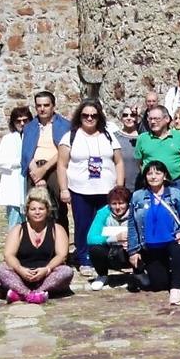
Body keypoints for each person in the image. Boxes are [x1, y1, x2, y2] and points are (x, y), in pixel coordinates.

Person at [56, 100, 124, 269]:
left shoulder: (108, 136)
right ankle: (85, 258)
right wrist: (64, 189)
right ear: (80, 116)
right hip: (80, 190)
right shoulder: (70, 137)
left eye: (93, 115)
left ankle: (104, 258)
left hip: (106, 190)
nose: (89, 118)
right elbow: (62, 165)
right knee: (83, 225)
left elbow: (119, 162)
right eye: (85, 115)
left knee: (106, 225)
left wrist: (120, 187)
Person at [128, 160, 180, 305]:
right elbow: (132, 224)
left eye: (157, 173)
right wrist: (133, 251)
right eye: (149, 173)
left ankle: (176, 288)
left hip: (173, 240)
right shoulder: (137, 196)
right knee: (158, 284)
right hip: (150, 245)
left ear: (164, 176)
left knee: (179, 249)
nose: (153, 176)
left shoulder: (175, 194)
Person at [0, 188, 73, 304]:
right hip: (22, 274)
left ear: (47, 210)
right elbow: (8, 255)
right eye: (33, 209)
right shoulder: (18, 230)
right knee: (0, 269)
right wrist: (20, 270)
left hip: (46, 275)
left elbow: (62, 256)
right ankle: (30, 295)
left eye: (41, 209)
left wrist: (46, 270)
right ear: (27, 211)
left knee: (66, 271)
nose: (37, 212)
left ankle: (27, 293)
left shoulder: (57, 229)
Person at [21, 91, 70, 202]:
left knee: (56, 209)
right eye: (39, 105)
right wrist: (36, 175)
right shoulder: (30, 127)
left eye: (46, 105)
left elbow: (64, 151)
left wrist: (44, 169)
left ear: (53, 106)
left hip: (55, 169)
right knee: (35, 206)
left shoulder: (65, 126)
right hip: (34, 170)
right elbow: (26, 152)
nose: (42, 109)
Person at [134, 105, 180, 192]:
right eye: (150, 119)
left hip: (175, 184)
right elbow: (139, 162)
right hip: (150, 185)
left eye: (157, 119)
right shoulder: (142, 138)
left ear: (167, 119)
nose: (153, 122)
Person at [85, 185, 133, 290]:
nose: (117, 207)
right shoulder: (103, 213)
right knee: (94, 248)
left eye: (121, 203)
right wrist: (114, 238)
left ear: (128, 203)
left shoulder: (135, 212)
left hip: (131, 250)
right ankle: (102, 275)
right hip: (110, 250)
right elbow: (91, 238)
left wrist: (132, 241)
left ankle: (139, 273)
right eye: (114, 204)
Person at [0, 105, 31, 228]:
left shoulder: (34, 138)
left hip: (30, 184)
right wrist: (21, 162)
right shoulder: (8, 139)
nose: (22, 124)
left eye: (25, 120)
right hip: (14, 186)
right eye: (18, 121)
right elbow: (0, 161)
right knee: (15, 224)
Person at [114, 105, 142, 192]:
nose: (129, 118)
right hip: (119, 187)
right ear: (121, 118)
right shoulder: (114, 137)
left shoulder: (143, 137)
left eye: (132, 115)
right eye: (125, 115)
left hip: (140, 187)